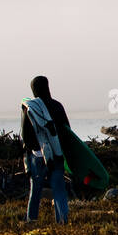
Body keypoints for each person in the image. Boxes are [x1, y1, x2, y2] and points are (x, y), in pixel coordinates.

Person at [20, 75, 71, 225]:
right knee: (59, 189)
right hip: (56, 154)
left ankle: (31, 221)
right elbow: (66, 131)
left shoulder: (30, 108)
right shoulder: (57, 106)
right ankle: (62, 222)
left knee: (35, 190)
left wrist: (30, 154)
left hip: (37, 155)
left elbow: (26, 135)